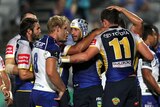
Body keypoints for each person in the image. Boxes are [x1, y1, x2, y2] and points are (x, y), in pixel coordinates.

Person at [62, 7, 154, 107]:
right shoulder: (132, 35)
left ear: (105, 22)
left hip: (115, 84)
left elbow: (85, 56)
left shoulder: (100, 37)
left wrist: (62, 59)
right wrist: (122, 9)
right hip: (133, 84)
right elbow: (149, 56)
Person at [62, 18, 104, 107]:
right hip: (79, 91)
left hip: (94, 89)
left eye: (76, 29)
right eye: (71, 30)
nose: (72, 33)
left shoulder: (95, 45)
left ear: (83, 30)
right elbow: (78, 49)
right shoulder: (71, 48)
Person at [30, 15, 70, 107]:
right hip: (47, 94)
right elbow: (50, 71)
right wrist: (62, 89)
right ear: (57, 28)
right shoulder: (52, 46)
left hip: (35, 92)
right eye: (64, 28)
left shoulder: (37, 43)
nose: (67, 32)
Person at [15, 18, 41, 107]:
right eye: (37, 29)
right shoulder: (24, 48)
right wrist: (41, 74)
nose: (40, 31)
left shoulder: (28, 45)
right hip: (25, 92)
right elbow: (23, 74)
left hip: (27, 91)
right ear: (29, 31)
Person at [137, 24, 160, 107]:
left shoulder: (144, 50)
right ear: (149, 36)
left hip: (150, 94)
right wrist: (159, 90)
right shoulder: (146, 53)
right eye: (154, 35)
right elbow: (146, 74)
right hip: (146, 94)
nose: (156, 37)